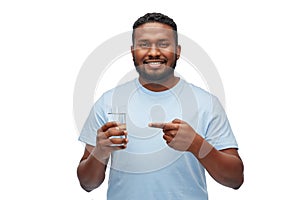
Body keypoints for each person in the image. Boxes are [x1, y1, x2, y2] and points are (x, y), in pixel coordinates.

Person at [77, 12, 244, 199]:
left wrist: (196, 145)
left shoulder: (206, 103)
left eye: (163, 44)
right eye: (144, 44)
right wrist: (100, 152)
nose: (154, 52)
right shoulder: (108, 102)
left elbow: (235, 179)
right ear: (133, 51)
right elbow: (87, 184)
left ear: (178, 50)